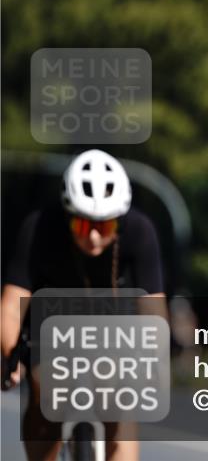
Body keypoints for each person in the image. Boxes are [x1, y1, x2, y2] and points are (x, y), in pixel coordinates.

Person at [1, 149, 166, 461]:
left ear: (118, 221)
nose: (93, 237)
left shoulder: (139, 231)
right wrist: (11, 356)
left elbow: (153, 309)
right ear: (68, 215)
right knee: (46, 391)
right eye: (82, 226)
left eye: (104, 228)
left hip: (115, 325)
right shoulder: (39, 227)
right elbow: (11, 305)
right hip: (50, 326)